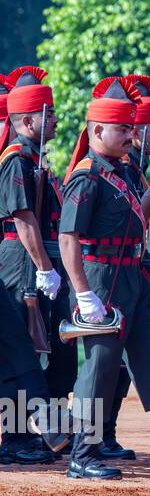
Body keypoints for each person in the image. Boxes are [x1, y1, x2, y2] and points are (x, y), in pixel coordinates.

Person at [58, 77, 150, 478]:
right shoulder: (87, 177)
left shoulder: (122, 170)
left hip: (132, 277)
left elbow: (142, 208)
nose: (130, 136)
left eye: (132, 129)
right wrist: (84, 294)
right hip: (100, 280)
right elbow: (69, 239)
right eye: (122, 129)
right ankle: (82, 454)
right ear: (97, 130)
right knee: (100, 367)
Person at [0, 67, 69, 463]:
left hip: (31, 258)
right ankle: (15, 439)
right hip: (19, 260)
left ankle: (27, 436)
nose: (55, 119)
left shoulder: (32, 157)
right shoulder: (16, 159)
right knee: (19, 346)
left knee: (32, 347)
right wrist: (43, 267)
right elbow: (23, 219)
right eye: (48, 112)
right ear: (27, 120)